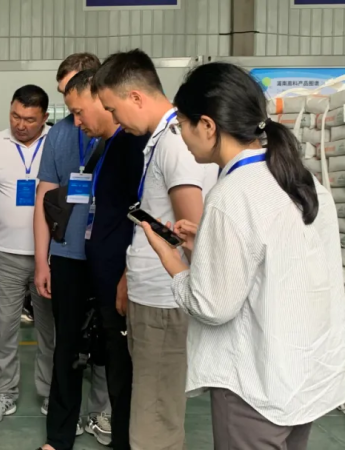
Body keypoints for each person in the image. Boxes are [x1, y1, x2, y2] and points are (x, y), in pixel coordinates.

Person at [142, 61, 345, 450]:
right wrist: (209, 243)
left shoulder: (232, 194)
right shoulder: (302, 180)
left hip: (255, 385)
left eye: (181, 125)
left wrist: (171, 261)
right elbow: (285, 260)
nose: (182, 137)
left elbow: (212, 305)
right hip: (303, 376)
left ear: (207, 125)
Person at [93, 49, 218, 450]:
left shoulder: (175, 143)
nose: (114, 120)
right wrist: (131, 276)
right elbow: (159, 223)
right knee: (148, 408)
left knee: (155, 420)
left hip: (166, 301)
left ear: (135, 97)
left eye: (113, 109)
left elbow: (190, 231)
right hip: (151, 295)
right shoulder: (161, 139)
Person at [66, 70, 151, 448]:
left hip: (122, 281)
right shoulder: (107, 146)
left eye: (79, 112)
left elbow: (143, 215)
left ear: (101, 100)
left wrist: (127, 276)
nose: (77, 122)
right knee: (115, 373)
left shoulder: (133, 145)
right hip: (105, 278)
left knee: (125, 377)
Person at [33, 53, 112, 450]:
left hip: (109, 256)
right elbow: (44, 199)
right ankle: (59, 435)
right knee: (66, 348)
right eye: (63, 92)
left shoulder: (119, 131)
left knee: (111, 346)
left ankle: (105, 415)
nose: (68, 102)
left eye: (73, 90)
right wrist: (42, 261)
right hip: (66, 256)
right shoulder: (60, 135)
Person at [0, 85, 55, 426]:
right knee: (3, 328)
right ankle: (3, 392)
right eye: (15, 116)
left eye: (29, 119)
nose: (20, 125)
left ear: (45, 118)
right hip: (4, 253)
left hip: (48, 256)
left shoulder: (57, 142)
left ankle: (51, 392)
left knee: (49, 330)